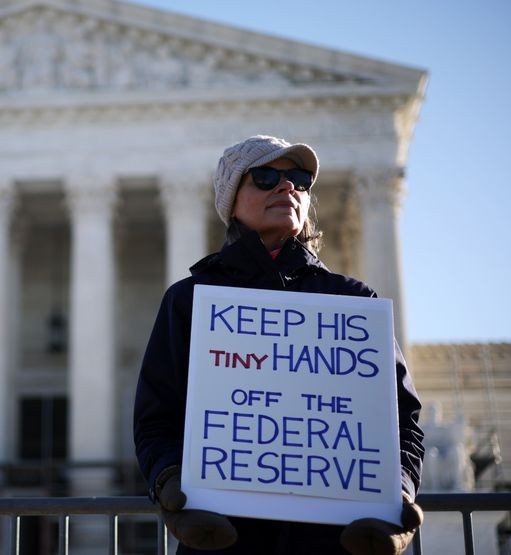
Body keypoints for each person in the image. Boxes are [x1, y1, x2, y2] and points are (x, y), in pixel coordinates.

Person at [133, 135, 425, 554]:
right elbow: (155, 418)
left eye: (300, 180)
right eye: (266, 177)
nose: (286, 188)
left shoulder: (354, 302)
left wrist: (395, 491)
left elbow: (403, 422)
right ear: (231, 199)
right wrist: (171, 480)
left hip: (335, 542)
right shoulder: (189, 301)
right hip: (224, 539)